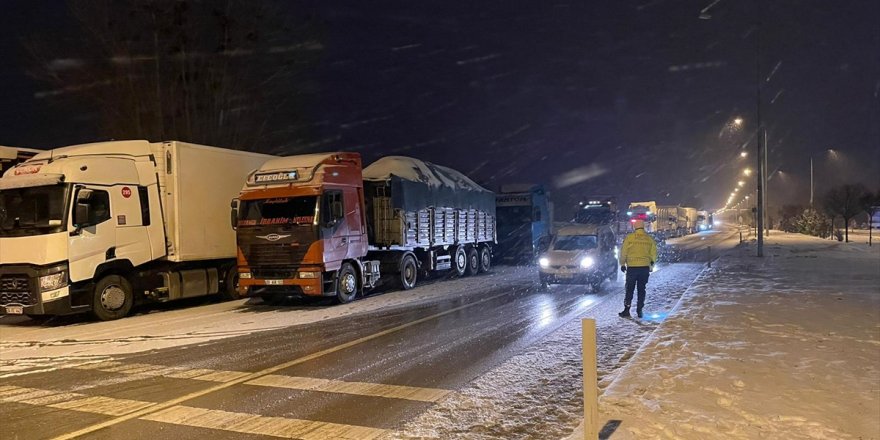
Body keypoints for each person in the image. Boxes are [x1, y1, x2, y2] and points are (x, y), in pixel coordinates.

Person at [618, 219, 658, 318]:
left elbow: (623, 252)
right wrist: (651, 265)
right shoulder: (649, 239)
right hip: (644, 268)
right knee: (641, 289)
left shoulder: (629, 238)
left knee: (629, 289)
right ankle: (639, 310)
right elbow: (654, 254)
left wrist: (622, 264)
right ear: (643, 226)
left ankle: (627, 310)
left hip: (632, 268)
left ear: (634, 227)